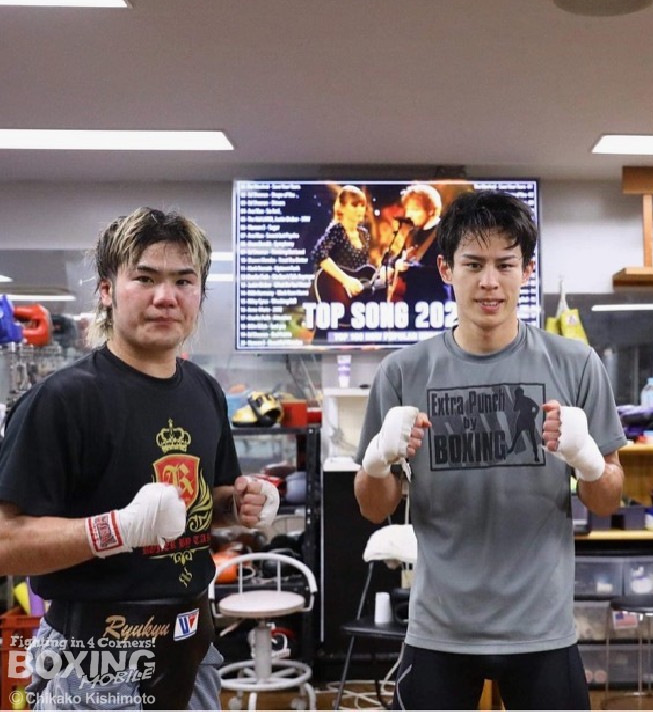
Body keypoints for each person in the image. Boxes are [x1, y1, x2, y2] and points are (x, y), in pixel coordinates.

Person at [353, 190, 626, 709]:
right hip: (439, 628)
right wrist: (378, 461)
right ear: (445, 268)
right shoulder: (402, 372)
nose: (489, 282)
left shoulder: (576, 365)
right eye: (473, 264)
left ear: (527, 271)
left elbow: (608, 500)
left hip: (542, 627)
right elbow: (372, 507)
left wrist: (588, 460)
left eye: (505, 264)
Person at [0, 208, 280, 710]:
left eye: (183, 281)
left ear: (199, 294)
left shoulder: (204, 391)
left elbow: (202, 505)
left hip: (192, 648)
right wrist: (118, 530)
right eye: (145, 278)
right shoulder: (63, 399)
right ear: (107, 290)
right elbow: (5, 541)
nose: (165, 297)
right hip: (95, 656)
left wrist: (239, 505)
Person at [311, 185, 380, 306]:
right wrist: (346, 280)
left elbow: (363, 270)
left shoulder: (364, 234)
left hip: (355, 298)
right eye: (354, 205)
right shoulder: (337, 230)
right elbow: (319, 255)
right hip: (336, 294)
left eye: (362, 205)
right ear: (342, 207)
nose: (360, 210)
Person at [385, 183, 449, 307]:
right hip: (411, 301)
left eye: (414, 210)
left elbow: (445, 269)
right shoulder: (412, 233)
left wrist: (410, 268)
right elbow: (400, 258)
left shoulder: (445, 233)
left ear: (431, 210)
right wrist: (392, 266)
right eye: (408, 209)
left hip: (435, 303)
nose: (409, 214)